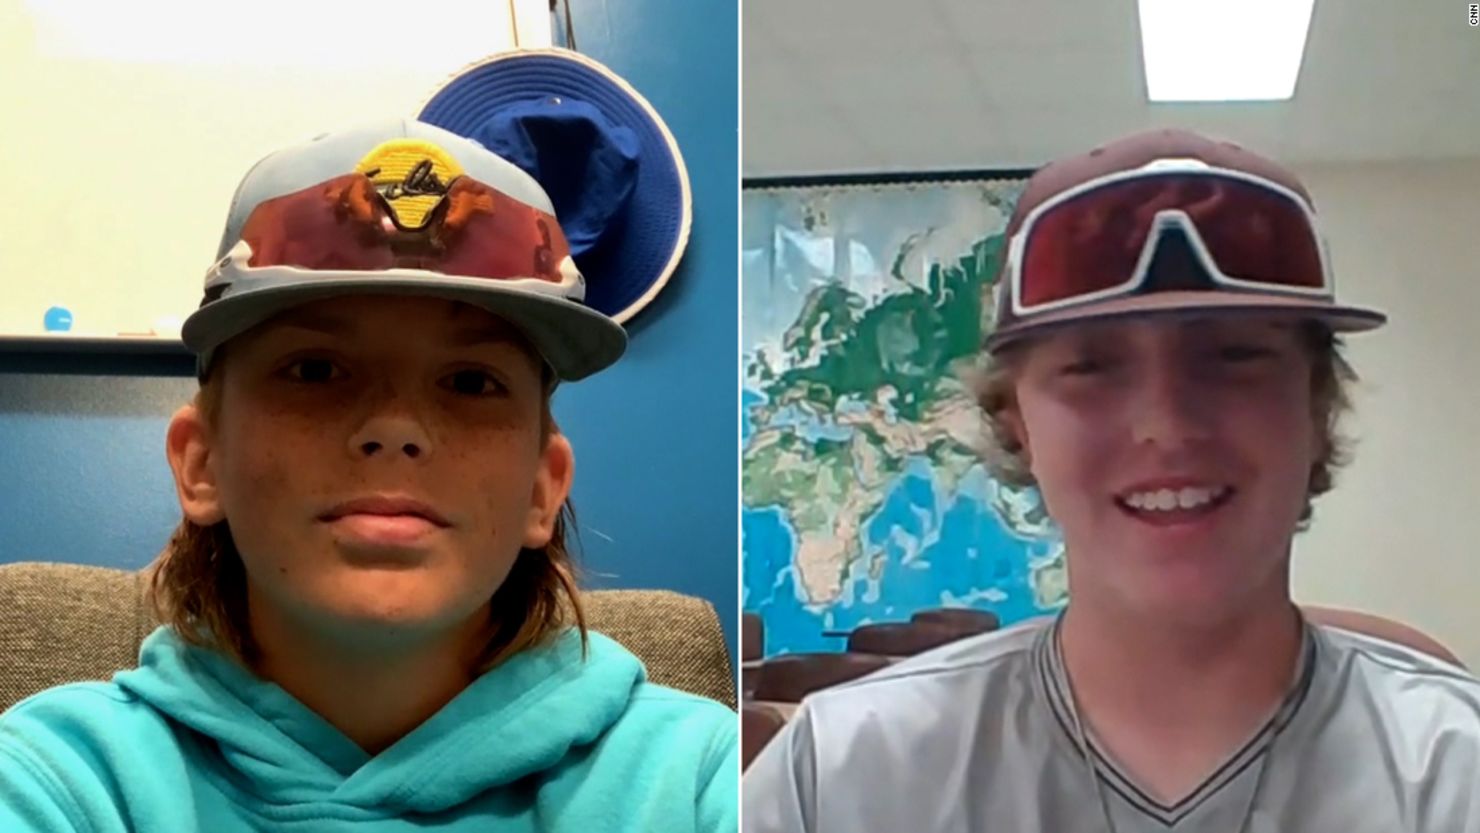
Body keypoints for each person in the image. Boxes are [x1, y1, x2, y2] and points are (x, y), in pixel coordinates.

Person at [0, 120, 737, 832]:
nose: (396, 426)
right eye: (315, 370)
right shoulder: (60, 778)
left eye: (472, 381)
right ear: (201, 462)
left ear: (544, 486)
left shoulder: (704, 779)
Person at [741, 128, 1480, 832]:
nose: (1167, 425)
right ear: (1015, 424)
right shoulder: (844, 777)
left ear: (1316, 407)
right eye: (1092, 365)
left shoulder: (1454, 771)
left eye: (1232, 356)